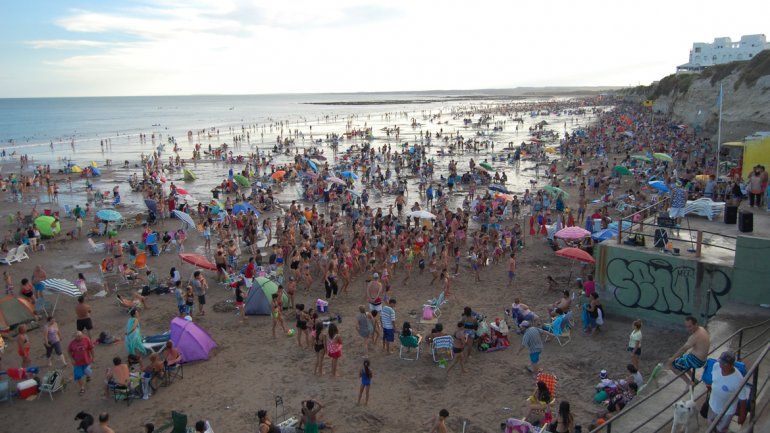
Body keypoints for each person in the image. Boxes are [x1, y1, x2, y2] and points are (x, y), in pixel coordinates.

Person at [707, 351, 749, 432]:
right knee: (710, 425)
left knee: (721, 429)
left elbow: (743, 399)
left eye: (724, 364)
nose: (721, 365)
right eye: (721, 362)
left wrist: (742, 415)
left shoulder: (738, 379)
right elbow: (714, 380)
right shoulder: (716, 366)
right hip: (712, 405)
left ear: (732, 365)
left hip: (727, 411)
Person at [669, 316, 710, 385]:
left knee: (672, 365)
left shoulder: (695, 336)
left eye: (690, 326)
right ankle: (693, 379)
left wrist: (671, 359)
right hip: (702, 359)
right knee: (682, 359)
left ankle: (689, 383)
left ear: (696, 324)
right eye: (687, 327)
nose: (688, 329)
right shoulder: (702, 329)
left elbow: (683, 349)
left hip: (697, 361)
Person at [69, 331, 95, 395]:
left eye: (80, 336)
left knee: (87, 371)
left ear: (82, 335)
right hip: (77, 363)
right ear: (75, 337)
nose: (79, 337)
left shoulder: (86, 340)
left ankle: (88, 376)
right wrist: (72, 359)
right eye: (77, 336)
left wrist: (93, 357)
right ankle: (82, 388)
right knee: (78, 375)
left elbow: (91, 348)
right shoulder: (72, 343)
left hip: (86, 361)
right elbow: (69, 351)